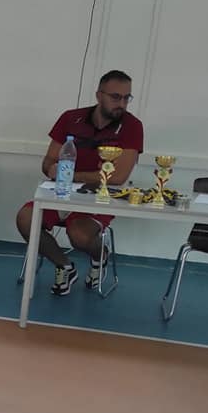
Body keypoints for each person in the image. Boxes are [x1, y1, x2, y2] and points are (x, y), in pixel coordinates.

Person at [15, 70, 143, 295]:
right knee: (25, 219)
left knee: (79, 235)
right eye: (116, 97)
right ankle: (64, 266)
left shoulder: (132, 126)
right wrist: (51, 168)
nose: (122, 104)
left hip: (99, 196)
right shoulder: (70, 118)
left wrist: (72, 175)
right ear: (99, 95)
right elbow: (48, 161)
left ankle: (101, 256)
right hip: (61, 192)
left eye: (126, 98)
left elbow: (118, 177)